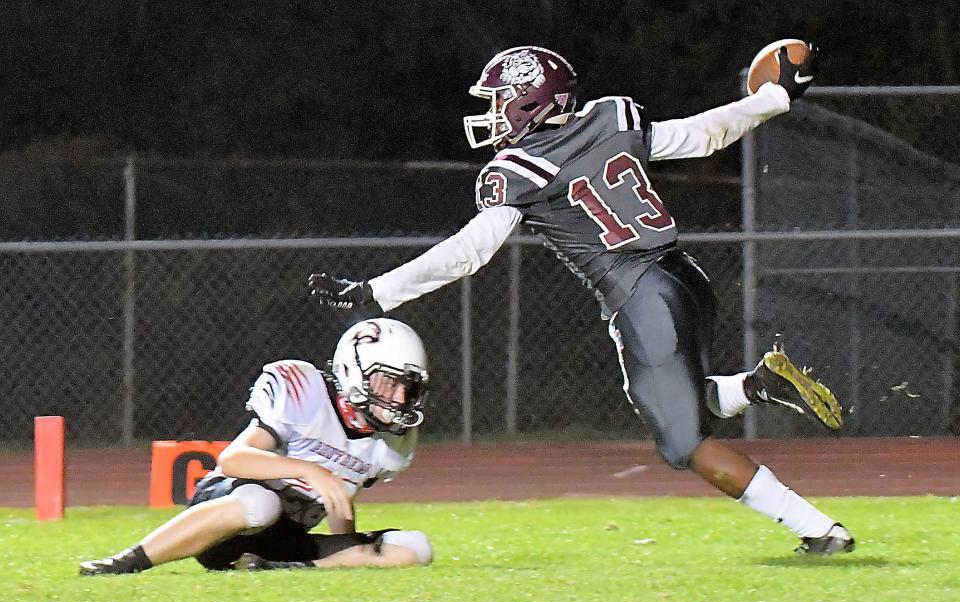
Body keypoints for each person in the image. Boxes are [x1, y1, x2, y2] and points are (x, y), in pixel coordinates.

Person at [308, 45, 854, 555]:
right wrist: (772, 98)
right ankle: (759, 385)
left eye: (501, 101)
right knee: (682, 397)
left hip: (640, 298)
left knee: (685, 444)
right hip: (686, 277)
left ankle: (819, 531)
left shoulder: (517, 170)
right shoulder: (613, 118)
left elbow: (467, 252)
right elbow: (702, 135)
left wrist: (373, 292)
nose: (495, 113)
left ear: (530, 100)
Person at [80, 318, 434, 575]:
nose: (399, 398)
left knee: (417, 548)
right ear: (355, 370)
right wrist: (309, 470)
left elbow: (340, 497)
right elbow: (233, 460)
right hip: (229, 520)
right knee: (260, 503)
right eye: (389, 382)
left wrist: (347, 547)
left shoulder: (391, 441)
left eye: (408, 387)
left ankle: (272, 569)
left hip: (282, 542)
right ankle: (128, 561)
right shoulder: (304, 392)